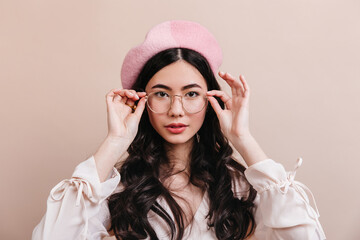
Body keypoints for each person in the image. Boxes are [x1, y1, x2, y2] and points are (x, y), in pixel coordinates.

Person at [32, 20, 326, 240]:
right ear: (141, 100)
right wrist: (114, 142)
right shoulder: (123, 190)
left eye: (191, 94)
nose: (176, 109)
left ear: (211, 99)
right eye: (161, 94)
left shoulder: (239, 188)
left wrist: (243, 139)